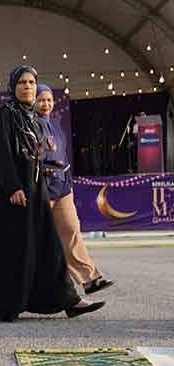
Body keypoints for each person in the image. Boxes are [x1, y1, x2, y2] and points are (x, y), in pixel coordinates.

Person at [0, 67, 104, 322]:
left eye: (31, 82)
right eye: (22, 82)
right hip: (14, 198)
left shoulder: (32, 117)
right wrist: (13, 187)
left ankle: (69, 300)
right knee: (14, 250)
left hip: (37, 192)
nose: (27, 87)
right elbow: (2, 154)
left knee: (47, 247)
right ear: (12, 87)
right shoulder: (6, 114)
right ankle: (7, 306)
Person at [35, 85, 113, 295]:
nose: (46, 104)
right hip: (42, 185)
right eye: (41, 100)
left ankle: (90, 279)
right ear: (33, 102)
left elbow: (64, 156)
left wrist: (68, 183)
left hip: (62, 184)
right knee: (38, 239)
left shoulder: (56, 125)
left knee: (71, 230)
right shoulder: (30, 125)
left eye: (49, 100)